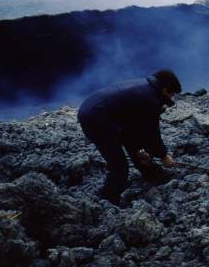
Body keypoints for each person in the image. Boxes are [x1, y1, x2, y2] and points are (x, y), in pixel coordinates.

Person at [78, 69, 181, 206]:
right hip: (96, 118)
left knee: (132, 140)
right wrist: (163, 156)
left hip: (97, 111)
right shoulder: (150, 99)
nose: (171, 99)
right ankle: (107, 200)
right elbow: (152, 133)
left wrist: (144, 151)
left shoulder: (147, 87)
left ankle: (151, 172)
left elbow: (134, 130)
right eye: (172, 94)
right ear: (165, 90)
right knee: (119, 166)